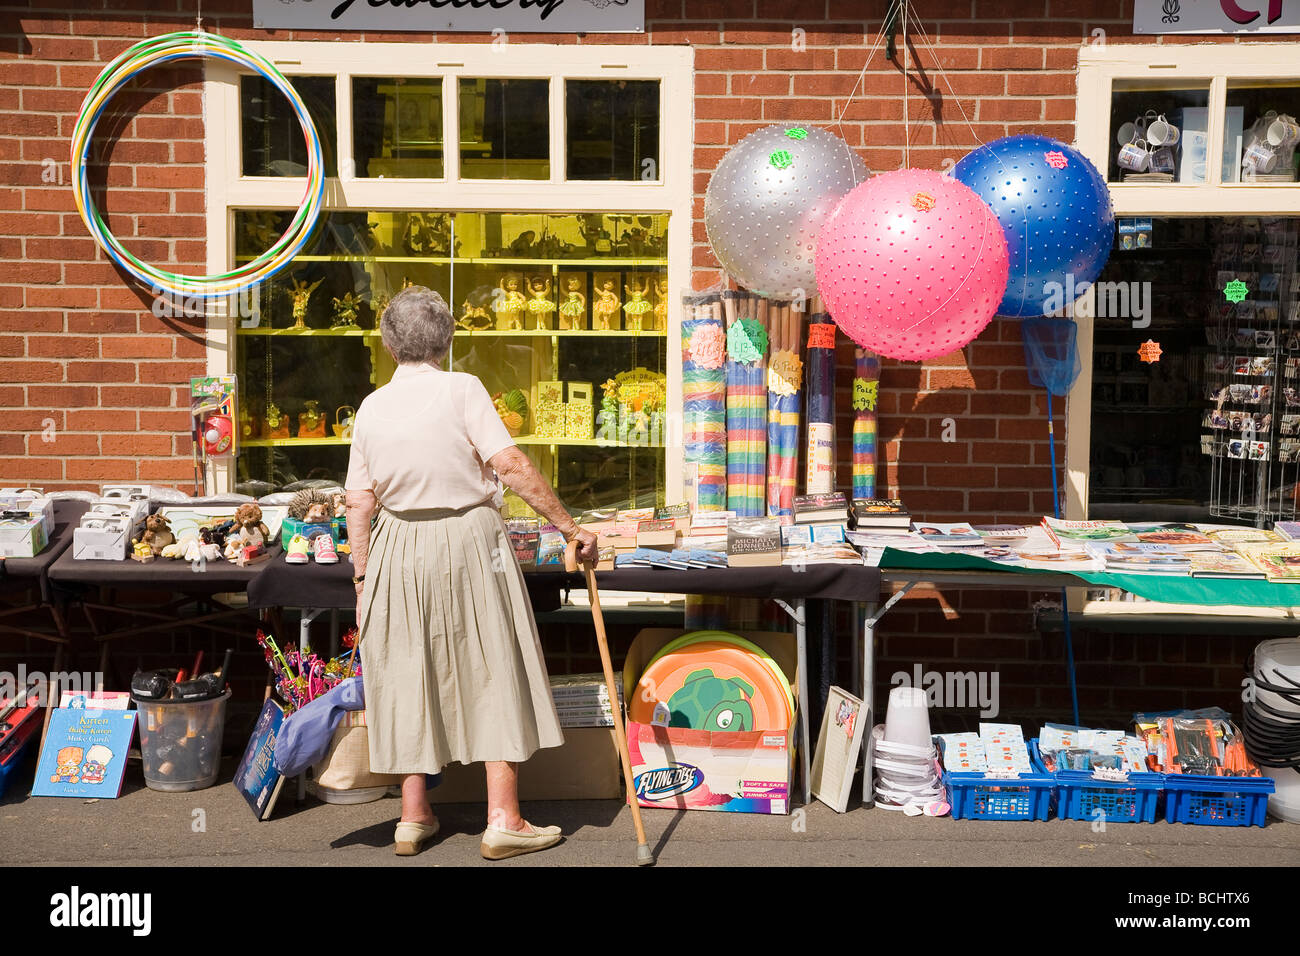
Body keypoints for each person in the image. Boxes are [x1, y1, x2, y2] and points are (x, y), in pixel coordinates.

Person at [344, 285, 598, 860]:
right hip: (468, 537)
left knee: (406, 667)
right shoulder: (463, 389)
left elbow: (359, 501)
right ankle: (503, 818)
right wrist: (567, 525)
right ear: (448, 339)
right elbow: (508, 464)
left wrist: (361, 581)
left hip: (395, 543)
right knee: (489, 662)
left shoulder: (370, 406)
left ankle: (412, 817)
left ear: (388, 345)